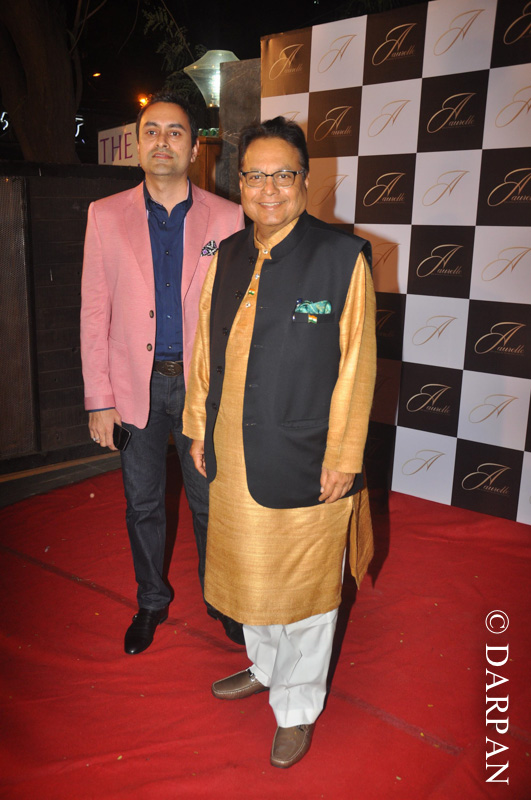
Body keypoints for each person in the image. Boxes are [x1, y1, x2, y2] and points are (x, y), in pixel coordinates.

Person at [182, 116, 376, 768]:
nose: (269, 189)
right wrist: (197, 426)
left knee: (306, 592)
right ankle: (265, 667)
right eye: (255, 176)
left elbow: (357, 368)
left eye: (282, 175)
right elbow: (203, 353)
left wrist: (343, 457)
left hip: (308, 455)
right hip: (232, 452)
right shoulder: (227, 254)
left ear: (305, 180)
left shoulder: (340, 258)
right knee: (247, 571)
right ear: (238, 183)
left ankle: (296, 708)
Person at [80, 92, 245, 654]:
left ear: (194, 148)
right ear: (137, 144)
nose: (162, 141)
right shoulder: (104, 215)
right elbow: (94, 312)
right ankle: (151, 599)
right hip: (134, 390)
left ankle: (221, 598)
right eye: (152, 131)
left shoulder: (228, 217)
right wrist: (99, 399)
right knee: (143, 504)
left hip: (202, 390)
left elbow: (238, 313)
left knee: (209, 502)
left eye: (175, 132)